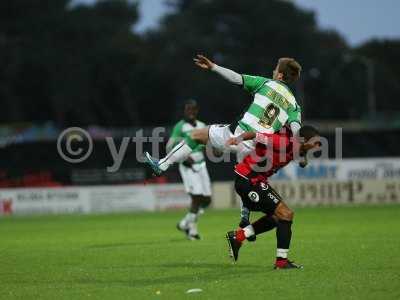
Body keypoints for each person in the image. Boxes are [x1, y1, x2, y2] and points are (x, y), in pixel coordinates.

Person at [144, 54, 302, 175]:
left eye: (276, 69)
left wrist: (214, 67)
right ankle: (245, 216)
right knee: (245, 180)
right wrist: (299, 147)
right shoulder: (294, 105)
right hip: (258, 147)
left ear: (280, 75)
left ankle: (162, 165)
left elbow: (236, 78)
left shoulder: (266, 83)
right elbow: (296, 129)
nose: (273, 71)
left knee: (196, 136)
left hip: (239, 134)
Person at [225, 125, 321, 269]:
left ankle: (238, 237)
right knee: (286, 214)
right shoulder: (281, 142)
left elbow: (300, 155)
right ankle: (281, 262)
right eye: (315, 142)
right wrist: (237, 139)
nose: (318, 145)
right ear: (304, 140)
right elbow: (254, 135)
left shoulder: (296, 148)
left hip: (255, 181)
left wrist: (304, 156)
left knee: (278, 218)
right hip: (247, 179)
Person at [167, 100, 212, 240]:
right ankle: (192, 230)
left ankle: (184, 223)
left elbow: (208, 143)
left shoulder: (202, 126)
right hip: (188, 165)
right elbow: (169, 147)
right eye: (188, 109)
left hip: (201, 164)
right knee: (197, 197)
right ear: (184, 111)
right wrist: (184, 158)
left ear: (197, 111)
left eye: (193, 109)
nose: (190, 112)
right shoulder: (180, 127)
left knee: (207, 200)